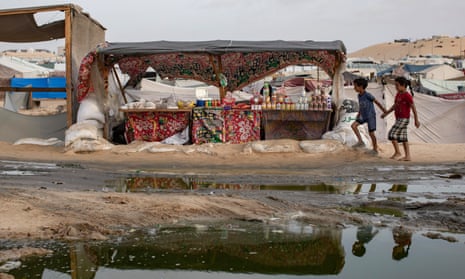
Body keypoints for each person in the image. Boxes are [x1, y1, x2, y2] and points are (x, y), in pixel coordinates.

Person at [381, 76, 420, 161]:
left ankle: (398, 152)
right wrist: (386, 113)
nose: (396, 87)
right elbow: (395, 106)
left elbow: (413, 108)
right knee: (403, 138)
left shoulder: (407, 95)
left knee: (391, 134)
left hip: (404, 118)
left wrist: (416, 120)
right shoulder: (398, 94)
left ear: (403, 85)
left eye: (397, 85)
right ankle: (407, 156)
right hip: (398, 118)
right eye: (395, 85)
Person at [351, 78, 386, 154]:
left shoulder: (367, 95)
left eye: (355, 86)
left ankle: (375, 149)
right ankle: (361, 142)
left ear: (361, 86)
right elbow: (361, 105)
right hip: (363, 116)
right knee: (353, 126)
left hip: (370, 116)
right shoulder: (359, 96)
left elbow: (377, 102)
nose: (354, 88)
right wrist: (359, 113)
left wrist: (384, 111)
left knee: (371, 133)